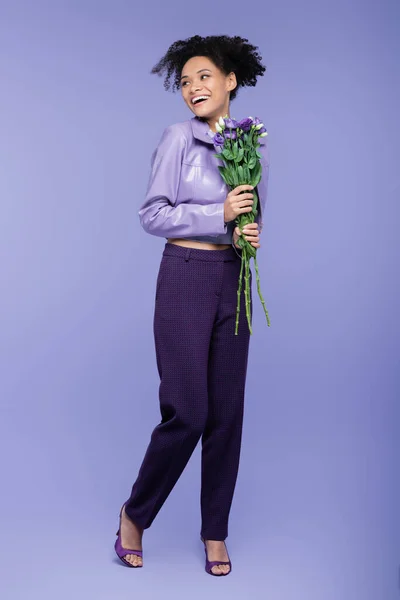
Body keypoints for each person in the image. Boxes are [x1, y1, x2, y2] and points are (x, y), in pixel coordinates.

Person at [114, 34, 269, 576]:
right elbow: (153, 214)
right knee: (190, 410)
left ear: (230, 80)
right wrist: (218, 214)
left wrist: (249, 233)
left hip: (235, 279)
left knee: (227, 413)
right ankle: (134, 514)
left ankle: (215, 531)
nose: (193, 88)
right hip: (183, 275)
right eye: (184, 82)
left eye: (203, 76)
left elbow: (251, 219)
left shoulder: (254, 143)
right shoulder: (177, 139)